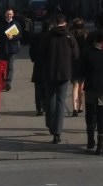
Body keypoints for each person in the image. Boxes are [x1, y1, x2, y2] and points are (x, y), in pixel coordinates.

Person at [41, 13, 79, 144]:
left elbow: (42, 54)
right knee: (60, 101)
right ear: (65, 23)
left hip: (49, 72)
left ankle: (50, 124)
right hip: (64, 72)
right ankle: (57, 132)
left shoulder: (48, 36)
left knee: (50, 99)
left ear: (54, 23)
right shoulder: (69, 37)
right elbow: (76, 55)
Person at [82, 28, 103, 155]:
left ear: (95, 40)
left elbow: (83, 69)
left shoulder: (88, 52)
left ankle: (90, 140)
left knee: (90, 113)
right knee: (102, 114)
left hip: (90, 86)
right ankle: (100, 145)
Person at [0, 8, 22, 90]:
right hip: (2, 48)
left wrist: (13, 37)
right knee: (2, 66)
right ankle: (2, 83)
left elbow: (20, 35)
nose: (9, 16)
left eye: (10, 14)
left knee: (10, 66)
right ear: (5, 14)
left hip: (12, 48)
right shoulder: (0, 24)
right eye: (7, 14)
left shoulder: (16, 24)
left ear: (13, 14)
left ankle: (8, 83)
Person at [29, 17, 51, 114]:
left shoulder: (37, 36)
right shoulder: (51, 36)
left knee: (38, 87)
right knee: (48, 87)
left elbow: (31, 50)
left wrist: (34, 59)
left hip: (38, 64)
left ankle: (39, 107)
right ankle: (47, 106)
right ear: (50, 27)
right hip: (49, 64)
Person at [70, 17, 88, 115]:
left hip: (73, 62)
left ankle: (74, 108)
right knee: (82, 84)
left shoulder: (71, 35)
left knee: (75, 85)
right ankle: (80, 105)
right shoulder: (86, 35)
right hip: (83, 62)